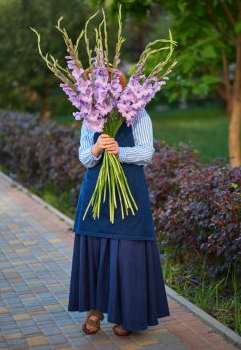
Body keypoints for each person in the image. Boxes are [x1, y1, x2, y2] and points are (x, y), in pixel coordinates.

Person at [68, 108, 170, 336]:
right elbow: (84, 157)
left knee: (127, 254)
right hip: (96, 194)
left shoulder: (139, 114)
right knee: (96, 252)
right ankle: (96, 308)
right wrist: (96, 149)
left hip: (129, 195)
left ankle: (129, 313)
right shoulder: (90, 115)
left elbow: (146, 153)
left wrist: (119, 151)